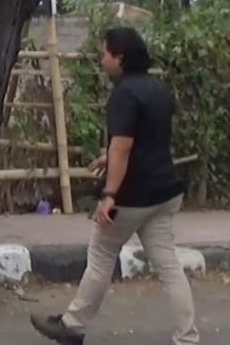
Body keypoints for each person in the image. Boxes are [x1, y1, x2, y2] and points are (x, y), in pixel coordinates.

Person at [31, 28, 198, 345]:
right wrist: (110, 155)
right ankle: (187, 338)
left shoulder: (123, 94)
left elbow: (123, 146)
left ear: (119, 58)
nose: (101, 58)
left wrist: (109, 195)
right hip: (165, 192)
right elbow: (147, 139)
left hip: (133, 196)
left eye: (104, 53)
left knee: (102, 255)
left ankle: (73, 326)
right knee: (169, 267)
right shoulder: (159, 90)